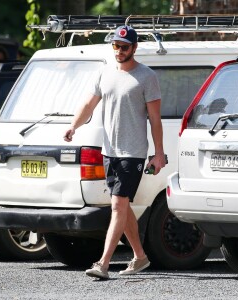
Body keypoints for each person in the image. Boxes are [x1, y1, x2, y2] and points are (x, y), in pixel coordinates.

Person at [64, 25, 166, 280]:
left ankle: (103, 263)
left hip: (133, 152)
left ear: (134, 47)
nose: (119, 51)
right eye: (115, 46)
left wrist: (159, 152)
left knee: (118, 205)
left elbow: (155, 119)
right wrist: (73, 127)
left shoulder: (146, 77)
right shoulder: (104, 73)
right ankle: (140, 257)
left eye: (124, 47)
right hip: (109, 151)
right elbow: (89, 104)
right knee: (121, 205)